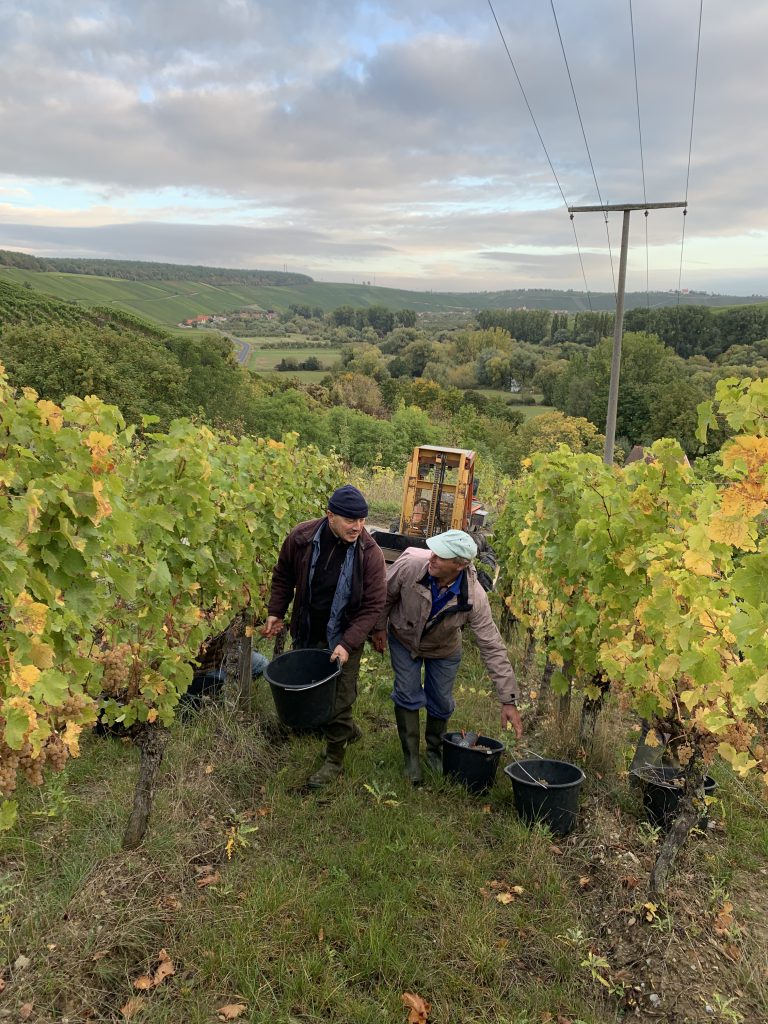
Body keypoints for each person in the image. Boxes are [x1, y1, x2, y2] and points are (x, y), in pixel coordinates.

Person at [372, 529, 522, 785]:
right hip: (404, 637)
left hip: (443, 649)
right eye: (434, 551)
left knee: (441, 700)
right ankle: (411, 759)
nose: (433, 558)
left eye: (442, 556)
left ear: (460, 565)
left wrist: (508, 700)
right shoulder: (410, 565)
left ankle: (433, 750)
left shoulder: (475, 597)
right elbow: (383, 597)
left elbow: (492, 646)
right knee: (407, 693)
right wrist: (377, 629)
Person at [261, 484, 386, 788]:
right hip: (308, 625)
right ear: (330, 515)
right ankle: (338, 730)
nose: (358, 527)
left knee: (340, 697)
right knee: (306, 684)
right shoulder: (302, 538)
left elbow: (372, 608)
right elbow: (283, 576)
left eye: (362, 520)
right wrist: (276, 611)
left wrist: (347, 643)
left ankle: (334, 760)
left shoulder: (370, 555)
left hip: (345, 633)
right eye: (350, 520)